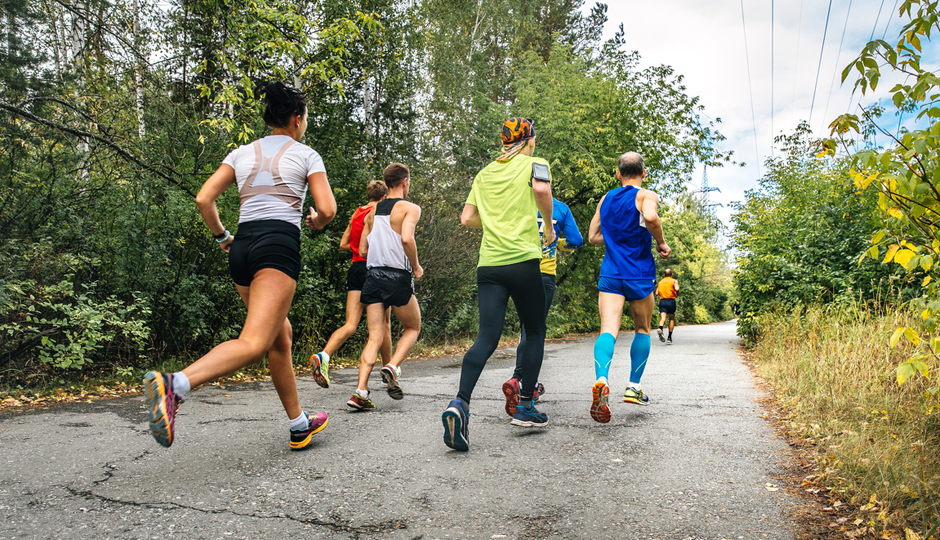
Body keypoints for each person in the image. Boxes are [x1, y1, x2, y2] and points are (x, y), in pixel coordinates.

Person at [143, 81, 336, 450]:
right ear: (297, 118)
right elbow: (327, 209)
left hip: (243, 247)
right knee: (254, 341)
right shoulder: (307, 154)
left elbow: (204, 198)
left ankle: (299, 424)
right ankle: (175, 385)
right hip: (277, 247)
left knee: (280, 337)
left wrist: (222, 238)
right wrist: (315, 222)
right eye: (305, 117)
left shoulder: (240, 153)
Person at [442, 117, 555, 451]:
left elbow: (466, 218)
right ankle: (525, 407)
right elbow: (541, 189)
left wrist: (494, 222)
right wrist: (548, 227)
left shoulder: (485, 173)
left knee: (486, 338)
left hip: (489, 264)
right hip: (522, 261)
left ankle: (460, 403)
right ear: (530, 140)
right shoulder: (536, 163)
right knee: (533, 331)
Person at [587, 151, 670, 424]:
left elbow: (593, 236)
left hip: (611, 274)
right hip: (639, 274)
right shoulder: (646, 195)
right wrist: (660, 242)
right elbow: (651, 217)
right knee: (643, 328)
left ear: (618, 174)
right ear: (643, 173)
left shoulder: (606, 198)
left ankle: (602, 379)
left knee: (608, 330)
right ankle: (634, 387)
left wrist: (614, 243)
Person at [346, 163, 423, 410]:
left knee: (375, 337)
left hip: (373, 276)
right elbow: (407, 238)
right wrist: (416, 266)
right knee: (412, 326)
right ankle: (392, 366)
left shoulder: (373, 210)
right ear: (404, 181)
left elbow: (362, 248)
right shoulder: (410, 208)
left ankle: (360, 392)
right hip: (397, 276)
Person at [501, 197, 583, 416]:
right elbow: (576, 240)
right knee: (534, 329)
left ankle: (527, 383)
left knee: (526, 328)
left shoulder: (519, 202)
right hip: (544, 275)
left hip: (518, 270)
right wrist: (559, 244)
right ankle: (521, 381)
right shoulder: (561, 209)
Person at [309, 181, 392, 388]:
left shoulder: (356, 214)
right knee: (384, 325)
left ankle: (324, 356)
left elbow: (343, 244)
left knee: (350, 324)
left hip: (355, 269)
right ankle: (389, 370)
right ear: (384, 197)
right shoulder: (380, 212)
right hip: (374, 269)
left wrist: (357, 248)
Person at [655, 268, 679, 344]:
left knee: (663, 318)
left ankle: (660, 328)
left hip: (662, 301)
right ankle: (669, 337)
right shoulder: (674, 281)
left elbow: (656, 293)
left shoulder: (661, 282)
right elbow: (677, 288)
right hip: (671, 301)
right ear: (672, 275)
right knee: (671, 319)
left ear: (664, 275)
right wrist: (676, 293)